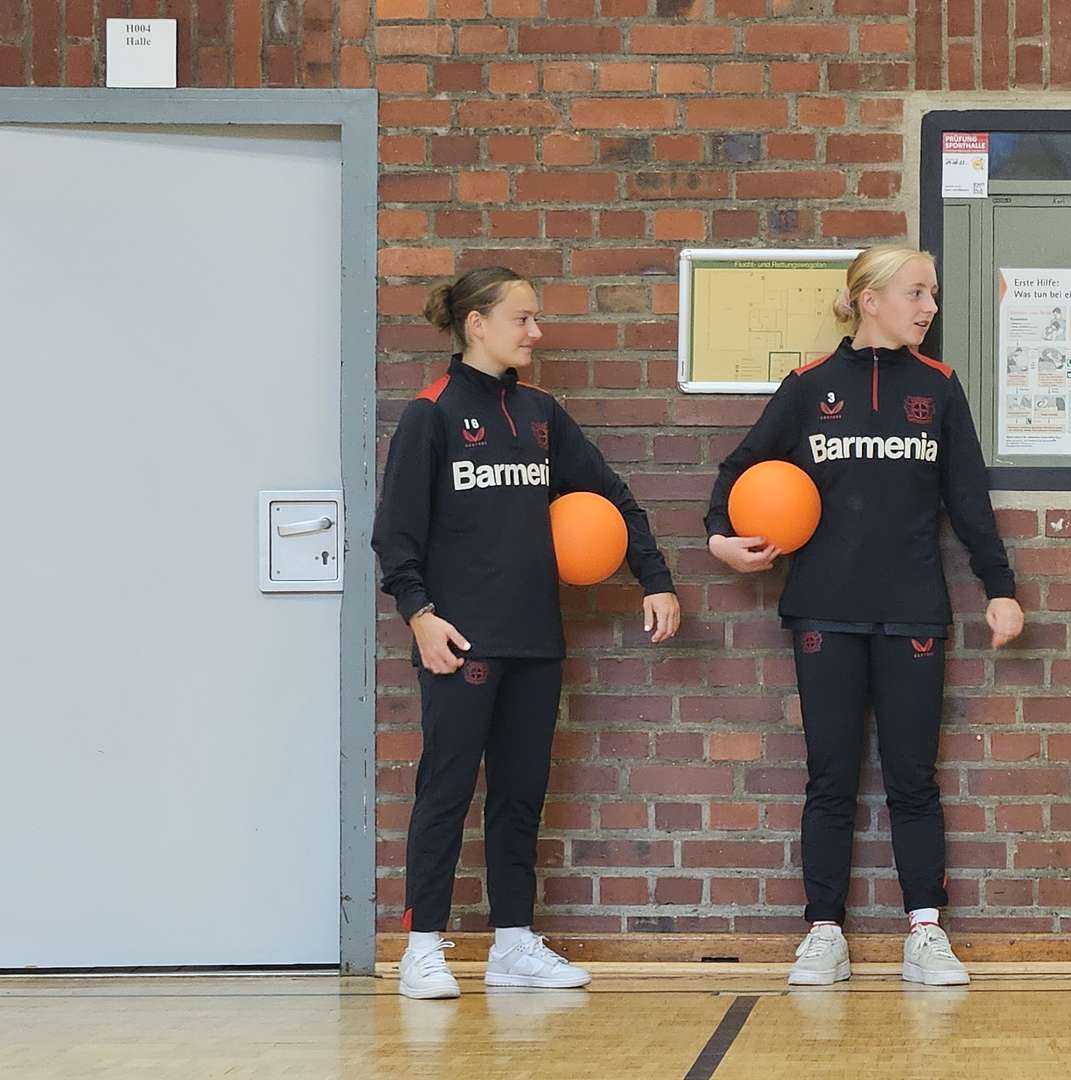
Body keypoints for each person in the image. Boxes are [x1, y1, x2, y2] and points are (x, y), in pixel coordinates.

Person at [705, 246, 1024, 987]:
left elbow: (969, 502)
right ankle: (824, 932)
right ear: (869, 299)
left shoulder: (939, 389)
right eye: (917, 292)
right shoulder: (809, 388)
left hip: (914, 609)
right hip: (824, 609)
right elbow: (737, 471)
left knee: (914, 778)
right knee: (830, 777)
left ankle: (925, 932)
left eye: (934, 294)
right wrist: (722, 538)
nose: (929, 308)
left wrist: (999, 588)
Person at [373, 266, 682, 1000]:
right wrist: (420, 616)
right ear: (476, 323)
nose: (535, 333)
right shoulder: (433, 413)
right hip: (460, 642)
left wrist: (657, 578)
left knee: (520, 793)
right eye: (523, 319)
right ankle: (423, 947)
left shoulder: (542, 414)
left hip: (536, 639)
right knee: (446, 789)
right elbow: (395, 536)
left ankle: (513, 941)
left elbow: (611, 495)